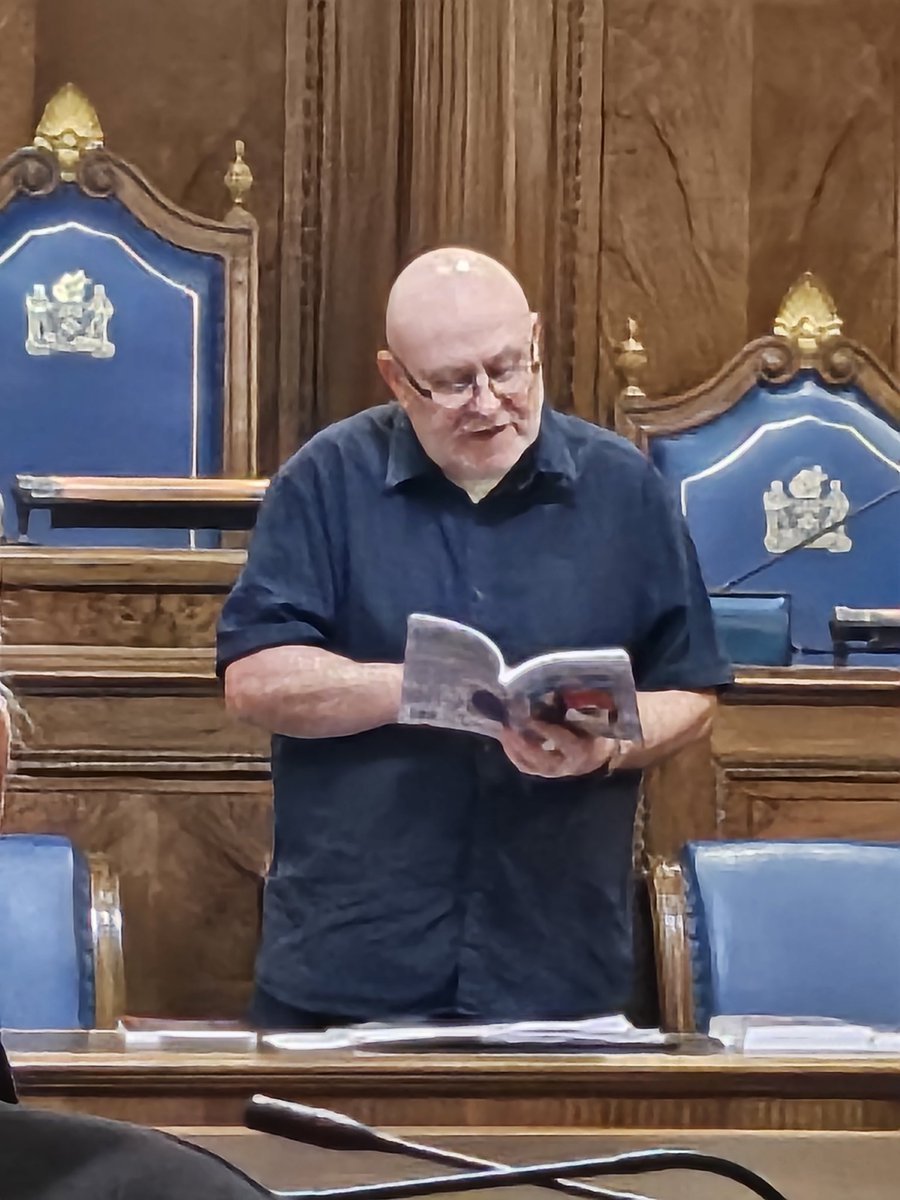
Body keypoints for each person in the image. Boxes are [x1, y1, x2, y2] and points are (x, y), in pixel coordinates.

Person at [218, 248, 731, 1030]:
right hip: (353, 965)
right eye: (455, 383)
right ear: (396, 379)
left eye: (509, 368)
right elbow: (254, 679)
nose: (490, 403)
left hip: (558, 963)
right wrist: (416, 688)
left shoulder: (624, 490)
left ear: (535, 339)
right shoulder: (324, 482)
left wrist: (609, 747)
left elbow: (690, 689)